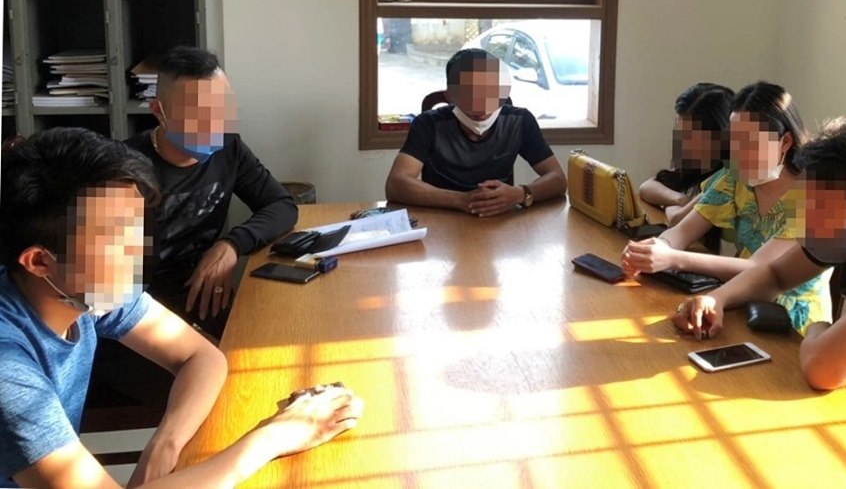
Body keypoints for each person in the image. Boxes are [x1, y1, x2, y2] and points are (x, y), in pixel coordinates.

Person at [0, 128, 363, 487]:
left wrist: (162, 447)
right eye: (113, 237)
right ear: (39, 261)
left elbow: (202, 357)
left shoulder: (82, 285)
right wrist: (277, 435)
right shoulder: (8, 366)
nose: (136, 251)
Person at [672, 117, 846, 475]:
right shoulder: (845, 233)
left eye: (820, 210)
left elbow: (823, 370)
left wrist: (818, 328)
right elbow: (775, 274)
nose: (806, 222)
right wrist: (718, 298)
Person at [622, 82, 831, 334]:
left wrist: (673, 258)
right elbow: (682, 230)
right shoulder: (734, 178)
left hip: (792, 326)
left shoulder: (811, 198)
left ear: (785, 141)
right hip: (737, 300)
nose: (738, 154)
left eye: (750, 143)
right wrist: (657, 247)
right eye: (734, 141)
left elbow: (761, 270)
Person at [127, 46, 297, 337]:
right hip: (140, 309)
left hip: (205, 292)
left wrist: (231, 245)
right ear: (159, 111)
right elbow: (105, 286)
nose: (214, 124)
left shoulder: (228, 148)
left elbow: (282, 205)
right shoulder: (124, 171)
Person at [385, 48, 567, 217]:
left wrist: (520, 193)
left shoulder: (519, 121)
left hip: (499, 220)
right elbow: (396, 184)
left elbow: (558, 179)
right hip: (443, 217)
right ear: (450, 95)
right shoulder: (428, 123)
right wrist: (460, 200)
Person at [638, 82, 733, 230]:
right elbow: (646, 188)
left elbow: (677, 219)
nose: (682, 144)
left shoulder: (726, 178)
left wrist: (670, 203)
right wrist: (680, 199)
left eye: (691, 137)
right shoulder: (697, 167)